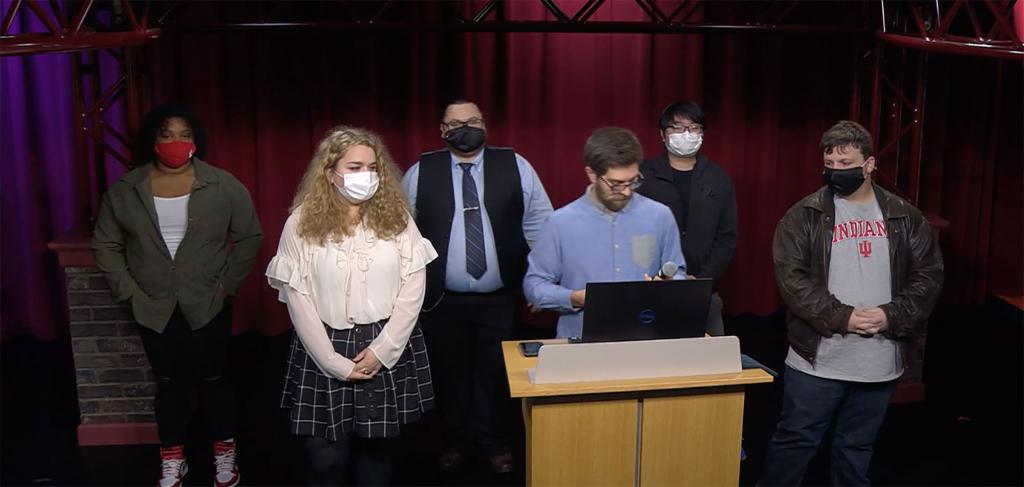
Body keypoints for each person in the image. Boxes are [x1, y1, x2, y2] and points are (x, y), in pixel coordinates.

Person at [759, 121, 943, 486]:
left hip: (879, 361)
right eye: (830, 164)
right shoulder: (802, 216)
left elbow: (928, 276)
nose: (836, 171)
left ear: (870, 164)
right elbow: (791, 281)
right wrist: (844, 318)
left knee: (857, 448)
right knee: (795, 443)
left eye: (846, 163)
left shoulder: (906, 217)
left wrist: (890, 316)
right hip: (817, 361)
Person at [92, 103, 262, 487]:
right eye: (166, 134)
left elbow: (250, 236)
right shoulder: (126, 189)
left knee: (215, 380)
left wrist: (225, 286)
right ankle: (172, 459)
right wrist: (129, 292)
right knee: (168, 384)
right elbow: (105, 244)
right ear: (153, 141)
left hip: (208, 303)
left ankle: (225, 456)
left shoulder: (222, 184)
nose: (176, 142)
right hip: (152, 306)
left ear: (196, 141)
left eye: (184, 134)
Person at [266, 126, 437, 486]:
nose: (367, 176)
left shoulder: (397, 218)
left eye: (373, 168)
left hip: (384, 344)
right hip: (325, 346)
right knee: (326, 459)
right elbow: (298, 300)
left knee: (378, 459)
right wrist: (332, 362)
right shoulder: (300, 223)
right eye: (355, 167)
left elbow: (413, 287)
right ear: (330, 173)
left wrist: (383, 349)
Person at [400, 99, 553, 474]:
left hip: (500, 298)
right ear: (442, 130)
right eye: (455, 123)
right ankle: (455, 440)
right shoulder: (421, 171)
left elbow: (540, 226)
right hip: (440, 299)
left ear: (485, 124)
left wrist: (544, 279)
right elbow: (400, 233)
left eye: (473, 121)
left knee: (495, 374)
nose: (464, 128)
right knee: (449, 374)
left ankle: (495, 441)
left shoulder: (516, 166)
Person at [524, 127, 686, 339]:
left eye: (633, 181)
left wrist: (666, 288)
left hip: (646, 339)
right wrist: (575, 298)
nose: (627, 191)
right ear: (592, 174)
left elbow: (679, 272)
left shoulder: (660, 216)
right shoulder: (560, 223)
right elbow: (534, 285)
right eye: (616, 184)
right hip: (580, 345)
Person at [637, 101, 737, 336]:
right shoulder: (643, 175)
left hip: (703, 294)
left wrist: (701, 280)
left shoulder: (718, 178)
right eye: (677, 127)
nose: (686, 134)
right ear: (663, 135)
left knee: (709, 366)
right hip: (649, 291)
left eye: (693, 128)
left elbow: (726, 238)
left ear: (702, 134)